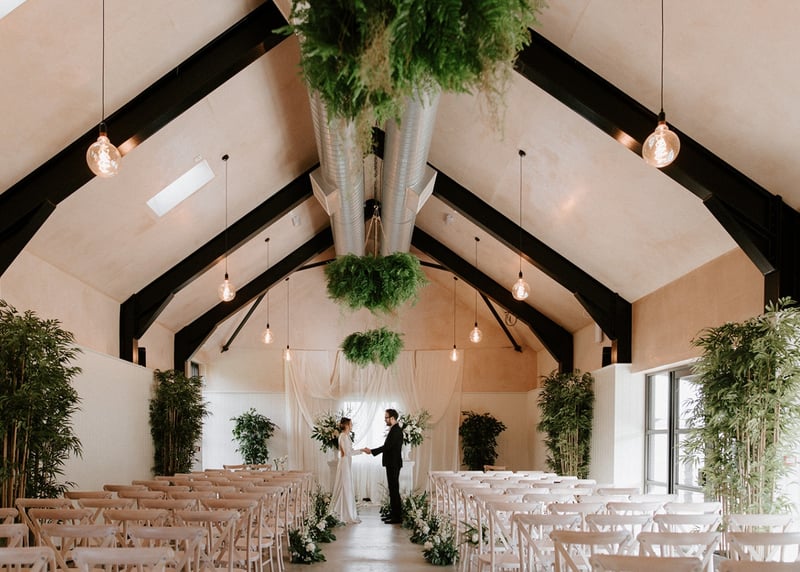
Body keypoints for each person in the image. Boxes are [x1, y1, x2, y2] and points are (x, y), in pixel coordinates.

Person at [363, 408, 403, 524]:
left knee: (394, 490)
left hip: (393, 464)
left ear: (392, 418)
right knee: (392, 489)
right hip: (392, 463)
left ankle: (397, 517)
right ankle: (393, 514)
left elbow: (387, 447)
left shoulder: (396, 430)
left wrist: (372, 451)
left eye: (386, 418)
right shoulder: (394, 429)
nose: (385, 420)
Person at [330, 417, 362, 524]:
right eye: (350, 424)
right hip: (344, 463)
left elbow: (349, 451)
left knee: (346, 486)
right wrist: (362, 450)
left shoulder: (346, 436)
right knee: (345, 485)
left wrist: (361, 450)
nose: (352, 425)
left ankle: (345, 511)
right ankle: (344, 513)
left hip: (347, 462)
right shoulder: (343, 436)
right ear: (346, 425)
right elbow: (348, 452)